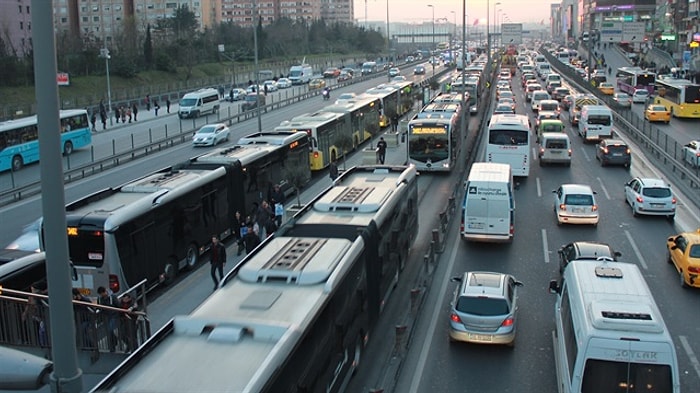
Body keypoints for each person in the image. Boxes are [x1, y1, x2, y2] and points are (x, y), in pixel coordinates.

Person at [97, 286, 119, 351]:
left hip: (113, 316)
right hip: (106, 317)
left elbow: (118, 305)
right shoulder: (100, 299)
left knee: (110, 330)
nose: (102, 295)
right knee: (109, 331)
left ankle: (113, 345)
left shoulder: (113, 297)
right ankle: (112, 344)